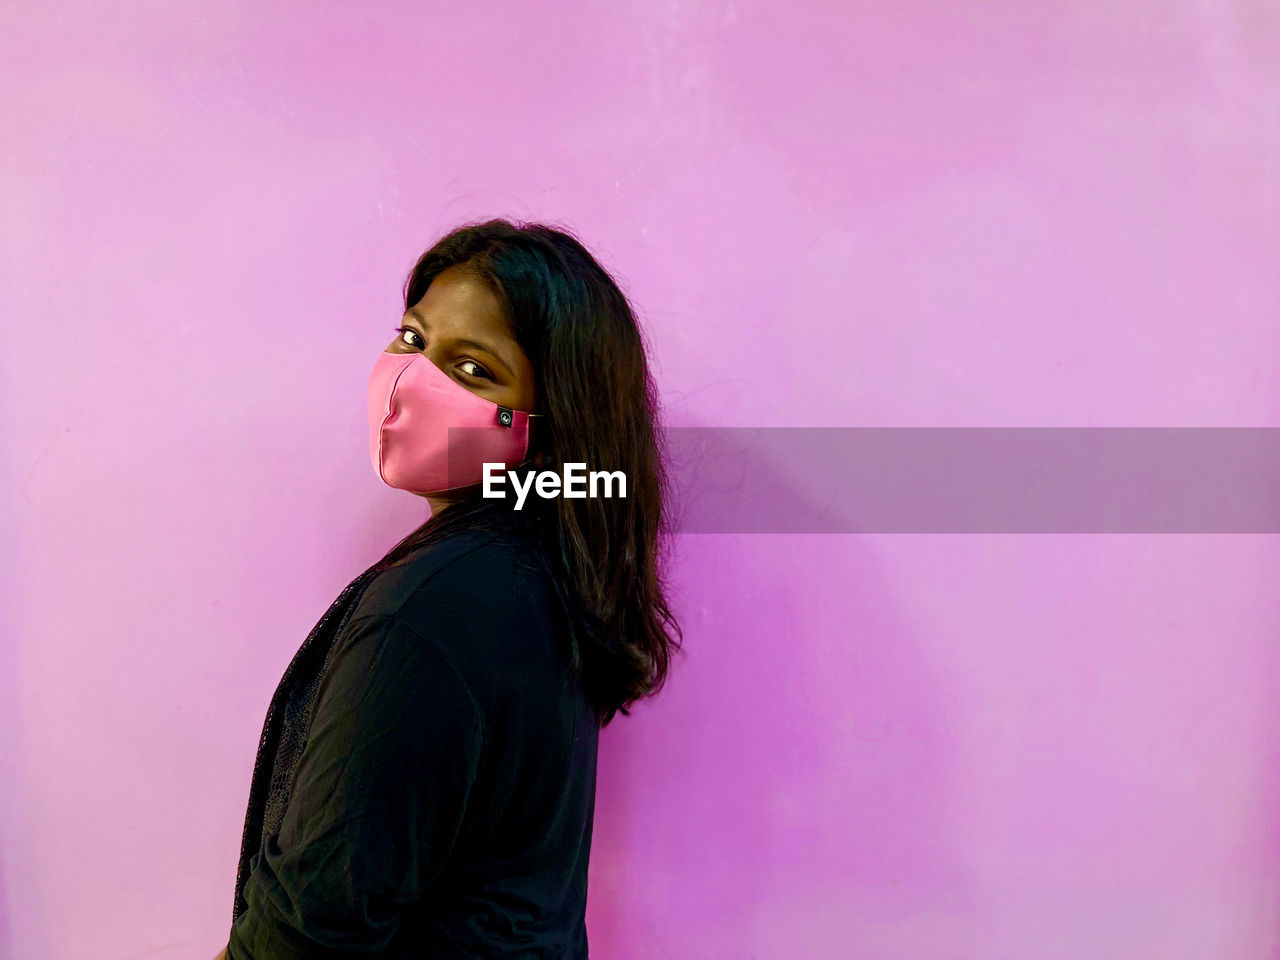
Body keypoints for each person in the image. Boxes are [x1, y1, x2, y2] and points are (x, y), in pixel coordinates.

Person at [217, 219, 682, 959]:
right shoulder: (534, 577)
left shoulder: (438, 607)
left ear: (549, 424)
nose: (413, 378)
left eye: (473, 370)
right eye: (412, 337)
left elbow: (306, 933)